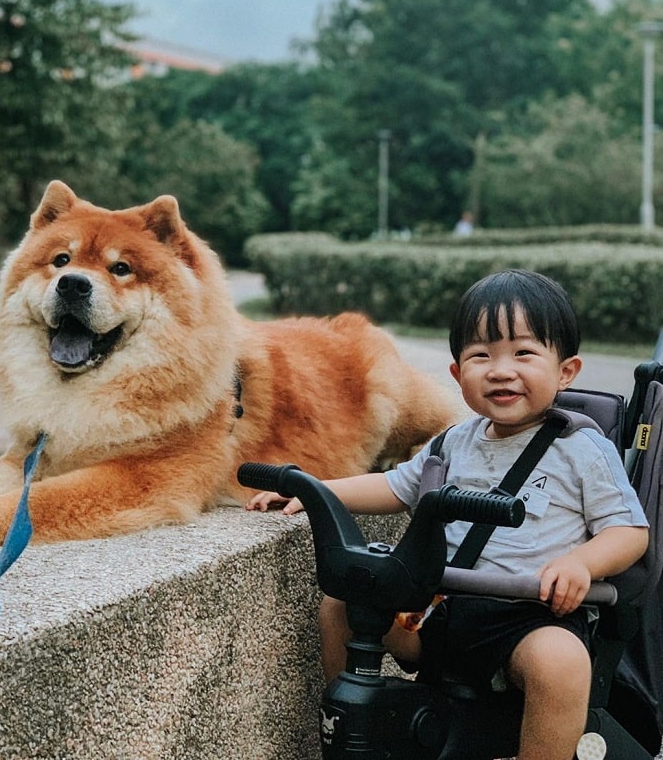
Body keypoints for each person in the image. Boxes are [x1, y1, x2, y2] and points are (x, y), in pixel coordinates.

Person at [246, 269, 649, 760]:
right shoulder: (455, 441)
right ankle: (358, 734)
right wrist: (316, 491)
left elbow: (629, 531)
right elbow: (395, 485)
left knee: (563, 663)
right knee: (344, 604)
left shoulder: (582, 448)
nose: (501, 370)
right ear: (458, 374)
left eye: (523, 353)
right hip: (438, 611)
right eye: (481, 356)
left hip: (527, 620)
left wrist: (582, 564)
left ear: (566, 371)